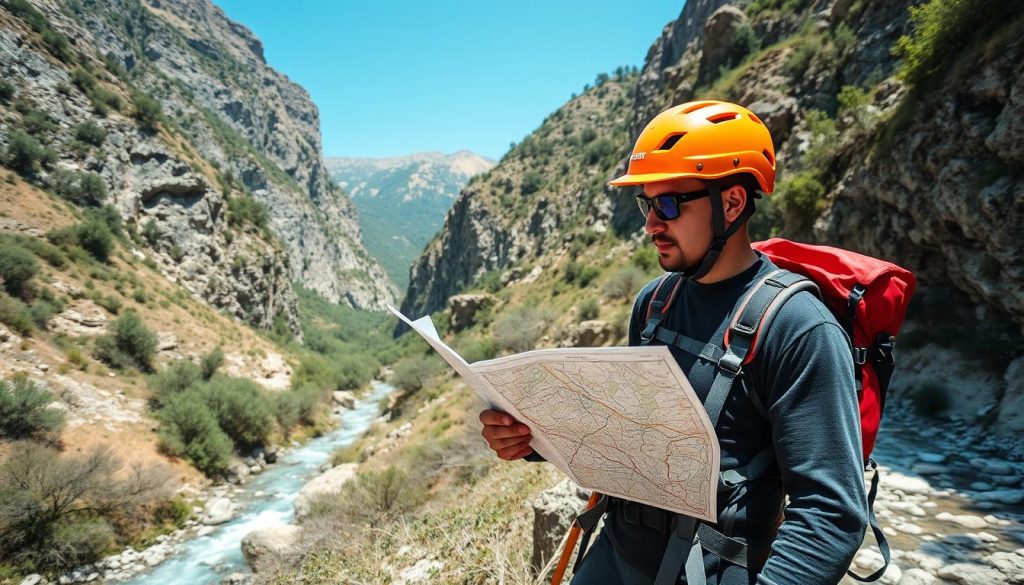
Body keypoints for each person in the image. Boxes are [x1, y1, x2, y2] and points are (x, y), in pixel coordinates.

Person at [479, 100, 868, 585]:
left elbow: (830, 515)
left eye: (667, 205)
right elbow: (626, 437)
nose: (650, 225)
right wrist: (530, 441)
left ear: (732, 203)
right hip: (617, 556)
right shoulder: (653, 304)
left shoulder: (799, 329)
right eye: (646, 203)